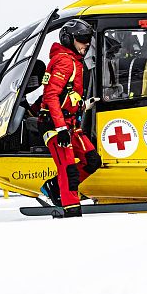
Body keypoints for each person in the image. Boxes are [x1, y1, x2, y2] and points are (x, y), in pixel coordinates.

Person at [38, 18, 101, 218]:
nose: (86, 44)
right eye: (82, 39)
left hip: (69, 124)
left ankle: (55, 188)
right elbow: (51, 96)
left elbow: (67, 96)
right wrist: (60, 128)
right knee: (68, 170)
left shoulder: (74, 62)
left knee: (92, 160)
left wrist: (84, 105)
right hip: (55, 125)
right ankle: (71, 210)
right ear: (68, 39)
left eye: (88, 39)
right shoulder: (64, 61)